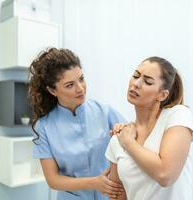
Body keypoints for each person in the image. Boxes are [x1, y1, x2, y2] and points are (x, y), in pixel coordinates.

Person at [29, 48, 125, 200]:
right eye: (69, 85)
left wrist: (125, 131)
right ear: (53, 90)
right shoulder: (44, 127)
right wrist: (94, 183)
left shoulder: (104, 112)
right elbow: (53, 180)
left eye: (81, 79)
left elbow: (134, 139)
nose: (80, 89)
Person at [105, 57, 193, 200]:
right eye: (135, 76)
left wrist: (129, 143)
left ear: (162, 95)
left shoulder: (177, 115)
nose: (136, 84)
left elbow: (165, 175)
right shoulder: (118, 139)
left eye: (147, 81)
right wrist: (124, 140)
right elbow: (118, 195)